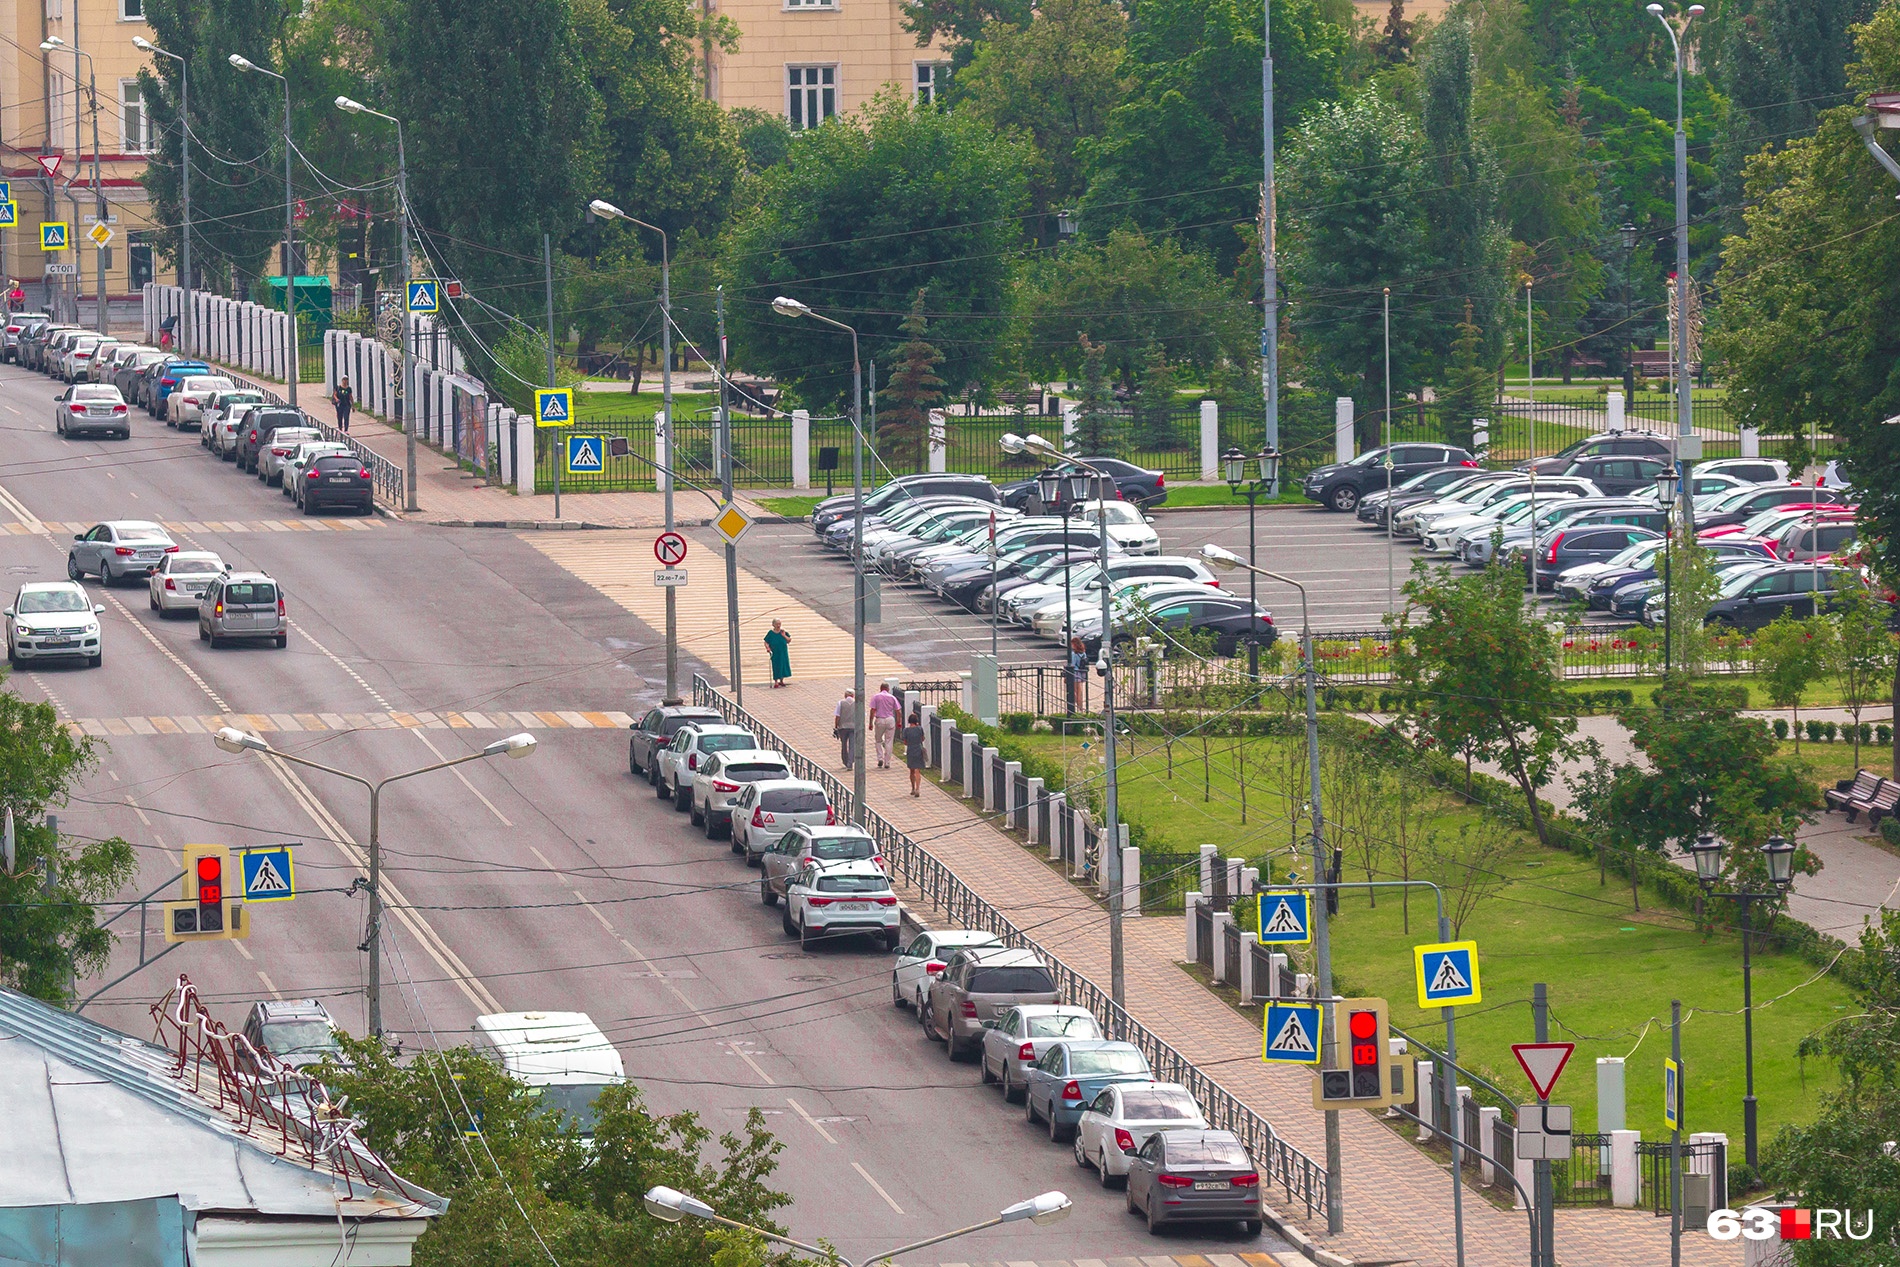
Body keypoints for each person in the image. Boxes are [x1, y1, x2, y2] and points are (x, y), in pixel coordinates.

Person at [869, 681, 902, 768]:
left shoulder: (876, 697)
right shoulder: (892, 697)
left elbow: (872, 710)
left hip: (880, 719)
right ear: (888, 689)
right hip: (890, 720)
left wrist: (870, 722)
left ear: (880, 689)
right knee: (889, 741)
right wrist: (899, 722)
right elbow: (898, 711)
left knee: (878, 740)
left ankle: (880, 758)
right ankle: (887, 762)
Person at [902, 709, 927, 797]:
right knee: (917, 770)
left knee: (911, 770)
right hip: (918, 750)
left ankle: (912, 788)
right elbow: (923, 738)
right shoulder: (919, 728)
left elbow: (905, 742)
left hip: (910, 750)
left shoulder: (906, 730)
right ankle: (918, 788)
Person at [833, 689, 857, 770]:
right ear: (853, 696)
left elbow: (837, 716)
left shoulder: (840, 703)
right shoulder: (857, 703)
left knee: (844, 745)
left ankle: (845, 761)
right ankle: (850, 762)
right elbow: (862, 715)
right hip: (854, 727)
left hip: (843, 727)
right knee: (852, 745)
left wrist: (836, 726)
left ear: (845, 695)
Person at [764, 619, 792, 687]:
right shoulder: (770, 633)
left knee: (783, 665)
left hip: (783, 652)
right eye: (777, 624)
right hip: (775, 652)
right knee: (776, 666)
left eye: (779, 624)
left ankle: (781, 681)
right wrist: (768, 648)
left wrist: (784, 635)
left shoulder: (783, 632)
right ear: (773, 625)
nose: (778, 625)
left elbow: (789, 640)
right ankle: (776, 681)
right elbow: (766, 642)